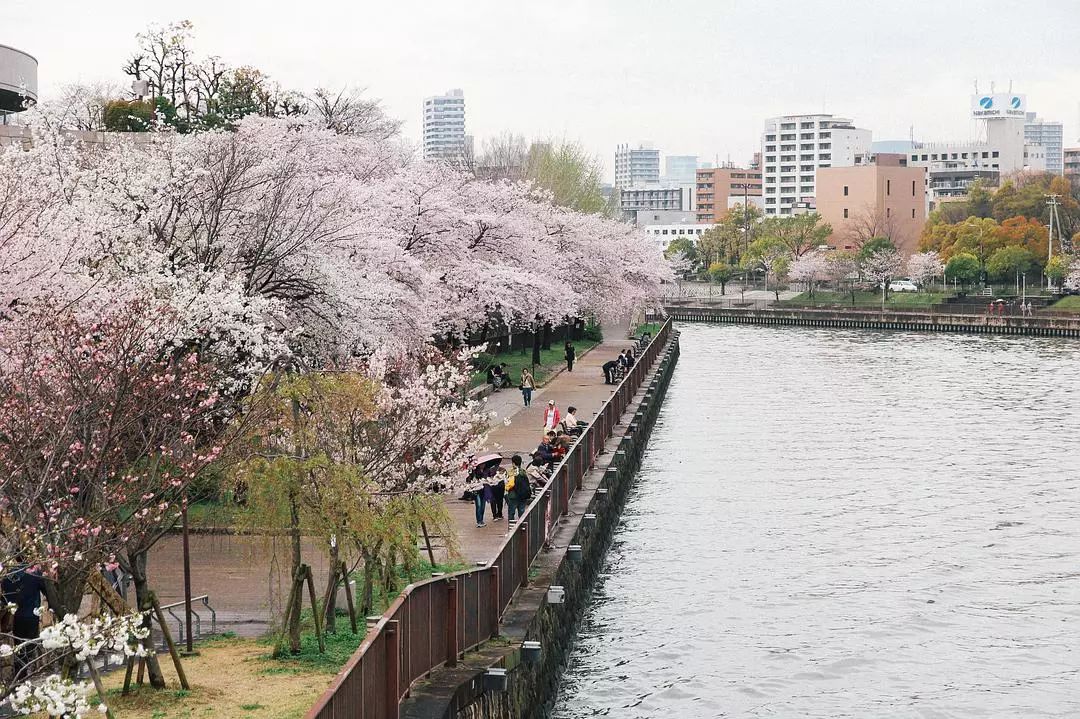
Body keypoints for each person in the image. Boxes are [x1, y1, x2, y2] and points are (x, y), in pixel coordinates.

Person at [2, 561, 44, 671]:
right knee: (30, 642)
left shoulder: (8, 576)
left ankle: (20, 672)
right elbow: (45, 589)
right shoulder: (34, 573)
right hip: (32, 613)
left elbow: (6, 595)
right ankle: (28, 666)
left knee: (19, 645)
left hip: (16, 615)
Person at [505, 455, 532, 523]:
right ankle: (522, 528)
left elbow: (507, 484)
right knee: (522, 512)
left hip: (513, 495)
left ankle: (511, 529)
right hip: (523, 495)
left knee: (511, 513)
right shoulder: (523, 472)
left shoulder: (510, 472)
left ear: (513, 463)